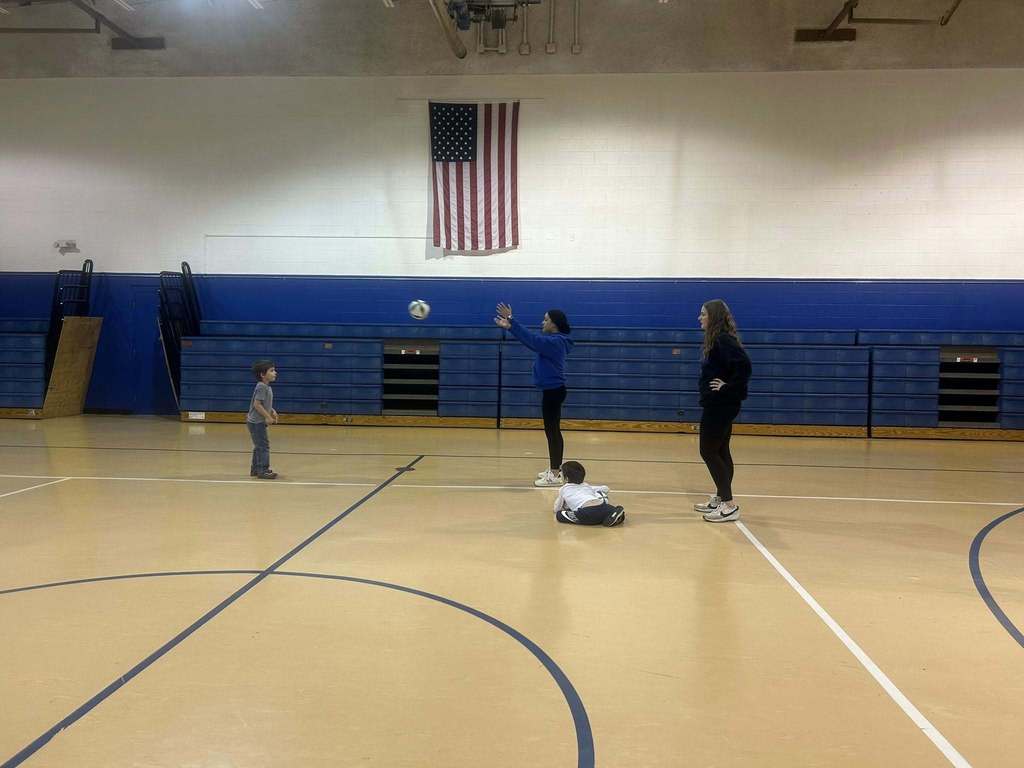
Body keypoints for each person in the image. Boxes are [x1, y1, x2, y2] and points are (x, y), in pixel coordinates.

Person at [494, 303, 574, 487]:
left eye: (546, 319)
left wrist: (512, 323)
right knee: (552, 431)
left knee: (552, 432)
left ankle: (555, 474)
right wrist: (511, 327)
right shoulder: (556, 341)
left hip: (554, 392)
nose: (542, 322)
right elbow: (531, 340)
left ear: (554, 324)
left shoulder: (554, 342)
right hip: (552, 391)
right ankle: (556, 468)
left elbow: (532, 340)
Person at [694, 300, 751, 523]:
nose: (700, 318)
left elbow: (744, 366)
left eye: (703, 314)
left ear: (714, 317)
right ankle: (721, 497)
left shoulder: (722, 340)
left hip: (721, 405)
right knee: (720, 451)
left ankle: (729, 505)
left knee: (708, 451)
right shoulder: (718, 340)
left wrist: (728, 387)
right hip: (720, 404)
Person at [553, 461, 625, 526]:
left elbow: (557, 508)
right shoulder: (586, 485)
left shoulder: (564, 489)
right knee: (608, 510)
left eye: (561, 473)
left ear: (566, 479)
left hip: (587, 512)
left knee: (559, 515)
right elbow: (605, 488)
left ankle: (601, 518)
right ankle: (613, 513)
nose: (560, 474)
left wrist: (563, 507)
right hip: (603, 506)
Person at [247, 360, 279, 480]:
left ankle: (256, 469)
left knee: (259, 445)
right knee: (263, 446)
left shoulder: (265, 387)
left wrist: (272, 411)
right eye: (271, 371)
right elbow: (257, 404)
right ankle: (263, 470)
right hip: (256, 422)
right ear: (262, 374)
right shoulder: (262, 387)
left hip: (257, 422)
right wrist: (268, 417)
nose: (275, 373)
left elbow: (264, 403)